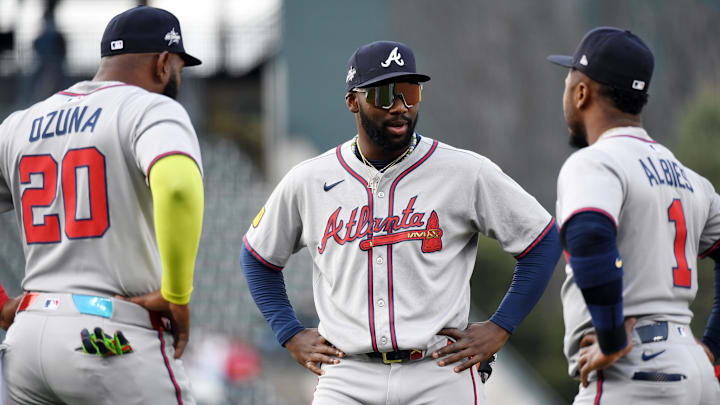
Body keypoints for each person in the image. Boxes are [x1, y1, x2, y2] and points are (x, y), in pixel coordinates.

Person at [241, 40, 561, 404]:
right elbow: (257, 257)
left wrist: (501, 326)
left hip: (439, 369)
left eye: (410, 93)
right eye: (384, 95)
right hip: (348, 373)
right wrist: (290, 332)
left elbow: (542, 239)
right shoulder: (310, 179)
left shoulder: (464, 171)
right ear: (352, 101)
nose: (400, 107)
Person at [0, 6, 204, 404]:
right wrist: (177, 294)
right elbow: (178, 188)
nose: (177, 77)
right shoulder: (149, 107)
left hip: (27, 337)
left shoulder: (20, 123)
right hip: (109, 338)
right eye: (179, 67)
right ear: (163, 64)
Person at [549, 27, 720, 404]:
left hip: (634, 370)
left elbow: (590, 237)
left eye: (567, 81)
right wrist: (711, 347)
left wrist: (611, 338)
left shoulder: (595, 163)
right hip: (694, 372)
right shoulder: (690, 179)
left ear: (581, 93)